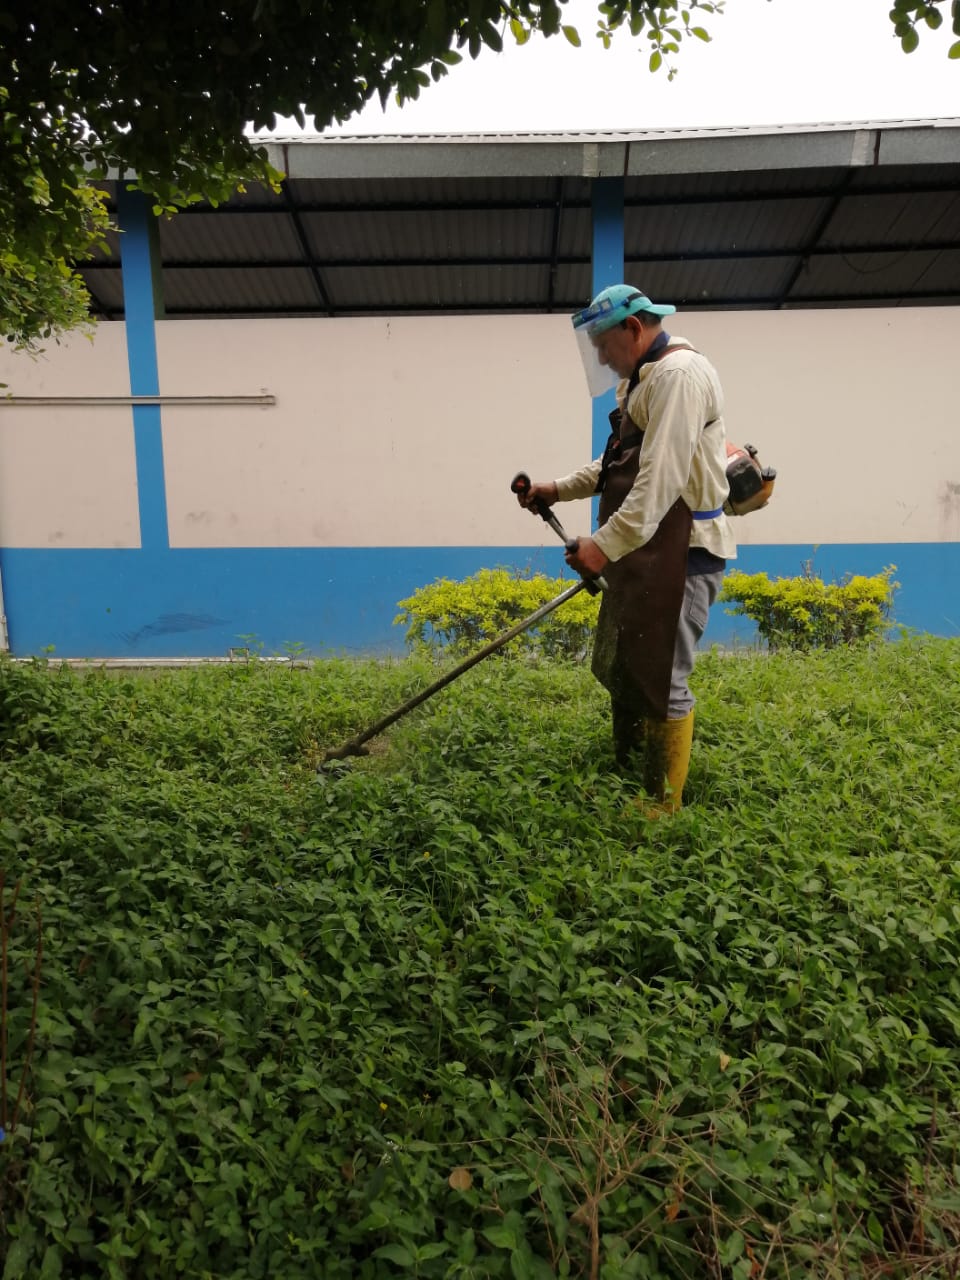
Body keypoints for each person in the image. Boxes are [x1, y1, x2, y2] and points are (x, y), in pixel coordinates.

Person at [517, 284, 736, 815]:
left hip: (685, 550)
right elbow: (616, 462)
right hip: (647, 543)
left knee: (665, 674)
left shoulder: (679, 377)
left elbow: (659, 481)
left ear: (633, 328)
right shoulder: (643, 378)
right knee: (632, 660)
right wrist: (555, 489)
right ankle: (630, 761)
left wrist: (603, 545)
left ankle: (663, 804)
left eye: (604, 345)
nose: (600, 358)